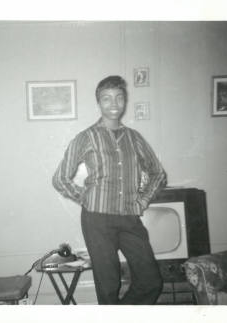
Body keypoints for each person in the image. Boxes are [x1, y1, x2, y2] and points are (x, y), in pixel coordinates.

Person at [52, 75, 167, 305]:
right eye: (106, 99)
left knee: (151, 282)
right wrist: (86, 198)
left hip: (130, 218)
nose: (113, 104)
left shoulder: (135, 138)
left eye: (119, 98)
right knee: (108, 286)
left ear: (125, 102)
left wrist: (143, 201)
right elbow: (60, 179)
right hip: (97, 220)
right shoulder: (86, 137)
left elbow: (158, 175)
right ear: (99, 103)